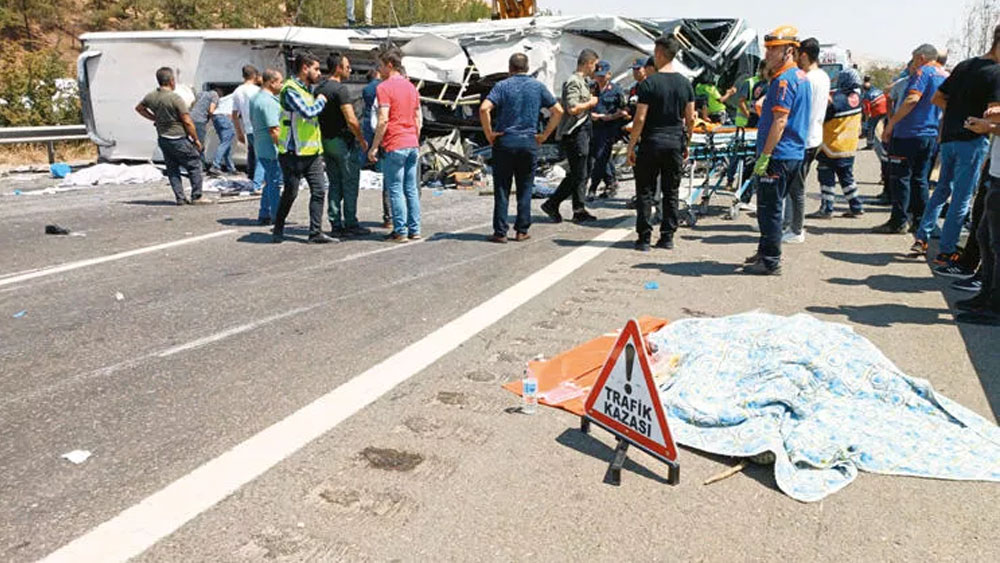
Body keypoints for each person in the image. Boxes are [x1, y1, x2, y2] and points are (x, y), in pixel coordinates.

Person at [910, 33, 1000, 270]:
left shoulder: (964, 66)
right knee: (961, 198)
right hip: (972, 139)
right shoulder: (996, 73)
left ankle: (922, 237)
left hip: (949, 138)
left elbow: (938, 98)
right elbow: (995, 112)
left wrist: (957, 113)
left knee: (941, 190)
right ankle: (947, 251)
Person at [744, 26, 811, 275]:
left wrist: (765, 155)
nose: (768, 54)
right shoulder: (801, 77)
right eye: (768, 49)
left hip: (779, 154)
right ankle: (765, 251)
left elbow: (781, 120)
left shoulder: (785, 80)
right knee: (770, 207)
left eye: (774, 49)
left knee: (770, 210)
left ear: (790, 51)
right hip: (792, 153)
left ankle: (770, 260)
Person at [480, 53, 564, 243]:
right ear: (527, 67)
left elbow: (484, 108)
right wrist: (544, 135)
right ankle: (521, 230)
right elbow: (558, 110)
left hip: (505, 141)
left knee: (502, 188)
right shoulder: (537, 86)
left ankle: (500, 232)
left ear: (510, 68)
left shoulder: (502, 86)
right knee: (525, 187)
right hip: (528, 142)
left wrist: (489, 134)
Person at [626, 35, 695, 252]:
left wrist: (631, 145)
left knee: (645, 190)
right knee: (671, 190)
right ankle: (667, 236)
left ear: (659, 54)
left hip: (651, 142)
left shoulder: (648, 84)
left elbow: (640, 119)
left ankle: (644, 238)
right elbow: (691, 118)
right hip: (674, 142)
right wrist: (687, 142)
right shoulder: (685, 84)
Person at [875, 44, 948, 234]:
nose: (912, 65)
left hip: (909, 133)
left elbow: (912, 99)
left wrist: (891, 124)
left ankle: (899, 221)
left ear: (921, 57)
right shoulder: (945, 75)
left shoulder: (923, 73)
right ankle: (920, 221)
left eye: (914, 59)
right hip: (930, 134)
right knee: (920, 179)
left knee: (901, 178)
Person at [272, 53, 335, 244]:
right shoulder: (290, 90)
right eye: (316, 68)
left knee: (319, 190)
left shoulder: (307, 90)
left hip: (312, 153)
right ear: (304, 68)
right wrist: (322, 100)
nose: (319, 73)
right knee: (291, 193)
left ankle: (315, 232)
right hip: (293, 154)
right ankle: (278, 226)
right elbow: (308, 113)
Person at [368, 49, 422, 243]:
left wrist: (374, 146)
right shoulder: (411, 87)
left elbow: (383, 119)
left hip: (395, 142)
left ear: (389, 64)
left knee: (395, 188)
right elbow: (417, 119)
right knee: (411, 188)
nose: (379, 69)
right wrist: (415, 138)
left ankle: (400, 230)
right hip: (412, 142)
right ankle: (415, 228)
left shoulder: (384, 88)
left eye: (381, 65)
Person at [540, 49, 600, 224]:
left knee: (583, 171)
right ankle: (552, 203)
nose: (595, 69)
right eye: (594, 65)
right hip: (575, 133)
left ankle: (578, 209)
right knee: (577, 174)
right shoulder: (573, 82)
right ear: (588, 63)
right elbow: (572, 108)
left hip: (583, 132)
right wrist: (591, 102)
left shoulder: (584, 82)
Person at [317, 53, 371, 238]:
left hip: (326, 141)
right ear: (338, 68)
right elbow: (351, 119)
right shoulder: (340, 90)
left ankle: (335, 222)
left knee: (334, 183)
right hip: (343, 142)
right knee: (349, 183)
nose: (350, 70)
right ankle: (350, 222)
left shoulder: (320, 88)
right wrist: (362, 140)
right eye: (347, 67)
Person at [134, 67, 206, 205]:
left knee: (172, 168)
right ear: (171, 81)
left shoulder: (151, 96)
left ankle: (180, 197)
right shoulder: (175, 98)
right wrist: (196, 139)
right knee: (194, 164)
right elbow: (187, 121)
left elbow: (139, 108)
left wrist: (154, 118)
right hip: (178, 137)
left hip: (163, 138)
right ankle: (197, 196)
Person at [956, 106, 1000, 325]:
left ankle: (995, 307)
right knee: (984, 236)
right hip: (996, 174)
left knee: (996, 244)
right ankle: (987, 295)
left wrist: (989, 127)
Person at [784, 37, 829, 244]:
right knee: (793, 185)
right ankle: (788, 223)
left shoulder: (808, 79)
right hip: (814, 136)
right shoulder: (823, 76)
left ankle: (796, 229)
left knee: (796, 187)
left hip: (803, 137)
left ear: (803, 55)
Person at [810, 68, 865, 218]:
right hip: (849, 146)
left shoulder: (837, 99)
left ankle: (827, 208)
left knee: (826, 176)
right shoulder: (858, 98)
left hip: (831, 145)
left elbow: (822, 117)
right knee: (846, 177)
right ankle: (856, 206)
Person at [587, 60, 629, 200]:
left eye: (603, 75)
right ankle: (611, 182)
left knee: (600, 156)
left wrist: (610, 116)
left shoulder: (616, 90)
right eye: (598, 75)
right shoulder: (591, 88)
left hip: (609, 127)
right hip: (594, 127)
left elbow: (624, 110)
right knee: (601, 155)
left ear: (609, 75)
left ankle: (594, 186)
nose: (600, 78)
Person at [249, 68, 284, 226]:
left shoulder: (256, 98)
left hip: (261, 145)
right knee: (275, 182)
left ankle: (264, 213)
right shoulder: (268, 102)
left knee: (269, 181)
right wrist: (283, 149)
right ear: (272, 82)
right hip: (271, 148)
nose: (282, 85)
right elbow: (274, 130)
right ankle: (277, 216)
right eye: (280, 82)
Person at [361, 67, 392, 229]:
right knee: (405, 184)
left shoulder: (367, 89)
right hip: (398, 136)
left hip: (373, 126)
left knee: (388, 178)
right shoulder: (385, 88)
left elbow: (377, 121)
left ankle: (389, 218)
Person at [232, 65, 263, 192]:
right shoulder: (257, 91)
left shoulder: (237, 91)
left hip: (247, 127)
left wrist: (239, 132)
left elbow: (234, 114)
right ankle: (257, 185)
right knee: (262, 156)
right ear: (255, 75)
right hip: (259, 127)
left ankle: (251, 177)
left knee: (251, 153)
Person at [209, 91, 237, 174]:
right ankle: (215, 165)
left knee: (226, 144)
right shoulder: (240, 95)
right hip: (224, 116)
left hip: (216, 117)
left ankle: (231, 168)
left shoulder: (227, 97)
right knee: (225, 142)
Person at [189, 88, 218, 168]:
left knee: (193, 142)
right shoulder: (215, 95)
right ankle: (200, 166)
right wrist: (214, 119)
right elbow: (211, 110)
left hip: (190, 118)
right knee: (200, 144)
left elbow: (192, 105)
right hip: (199, 120)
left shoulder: (200, 94)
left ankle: (192, 164)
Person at [735, 61, 768, 129]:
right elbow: (741, 102)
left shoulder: (768, 83)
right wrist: (749, 116)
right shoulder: (750, 82)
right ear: (761, 70)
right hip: (745, 122)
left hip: (756, 121)